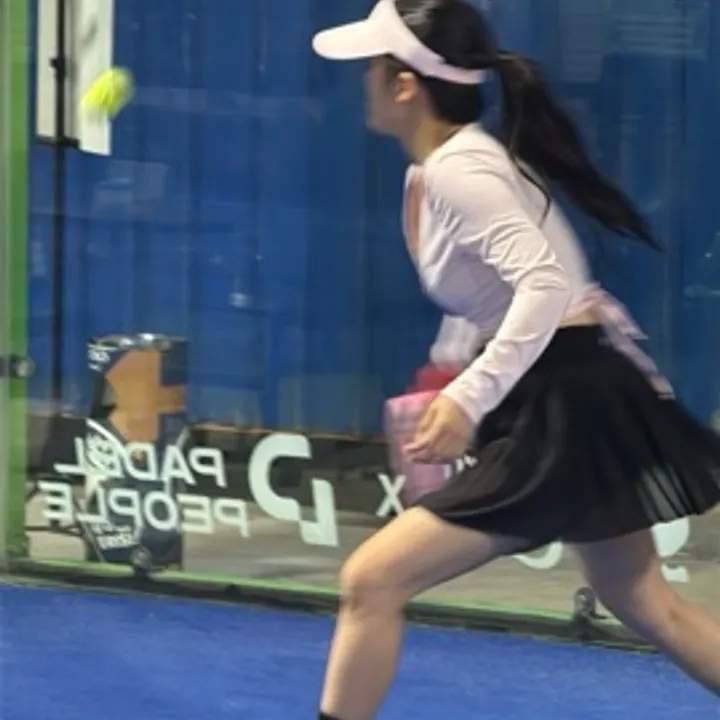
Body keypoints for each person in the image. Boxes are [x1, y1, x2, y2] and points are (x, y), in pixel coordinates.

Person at [311, 1, 720, 718]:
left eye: (372, 66)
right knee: (643, 599)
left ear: (405, 85)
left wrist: (467, 397)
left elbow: (545, 285)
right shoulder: (442, 169)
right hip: (574, 386)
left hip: (566, 400)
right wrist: (446, 373)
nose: (363, 80)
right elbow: (494, 291)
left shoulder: (460, 172)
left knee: (370, 581)